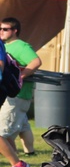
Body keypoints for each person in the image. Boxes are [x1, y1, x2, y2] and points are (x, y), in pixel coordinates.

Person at [0, 17, 41, 158]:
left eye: (5, 29)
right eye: (0, 29)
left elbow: (36, 61)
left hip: (17, 95)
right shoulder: (4, 46)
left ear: (15, 31)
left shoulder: (21, 46)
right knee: (23, 127)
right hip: (14, 96)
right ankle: (30, 153)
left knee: (3, 132)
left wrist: (21, 76)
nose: (1, 32)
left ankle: (16, 163)